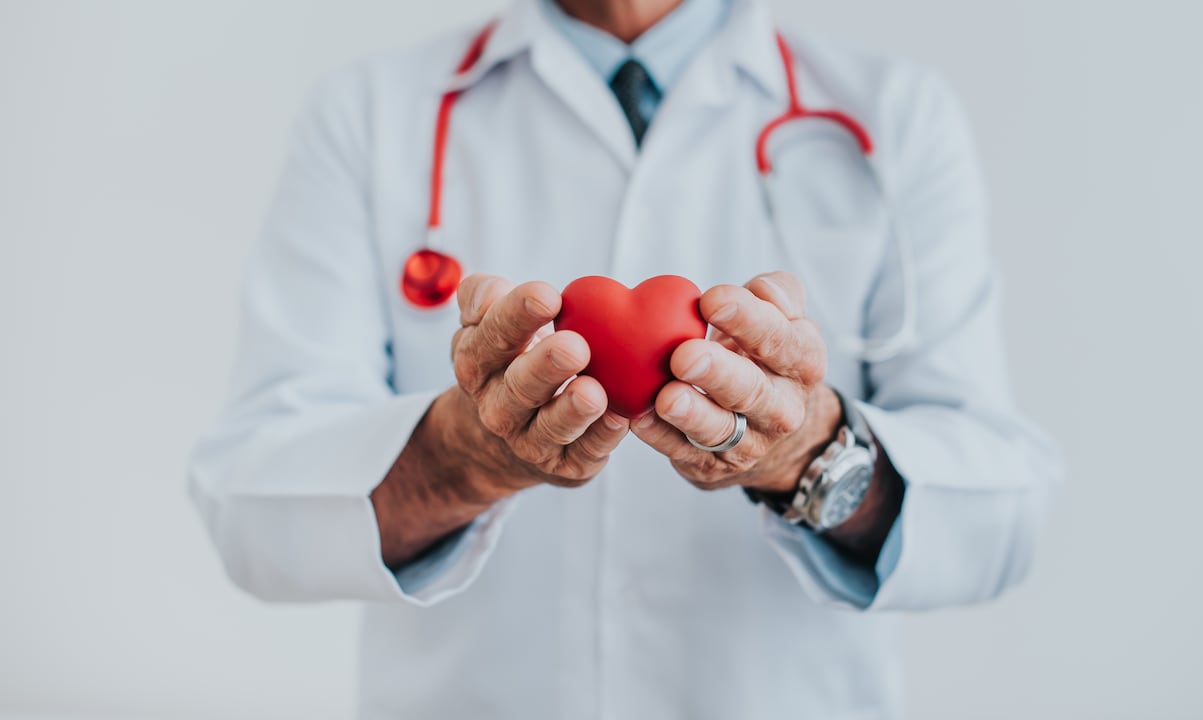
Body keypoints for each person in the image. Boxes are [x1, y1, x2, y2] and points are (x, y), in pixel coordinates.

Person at [188, 0, 1061, 716]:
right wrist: (464, 456)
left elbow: (1000, 520)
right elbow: (255, 514)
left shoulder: (894, 117)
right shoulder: (372, 114)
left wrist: (806, 452)